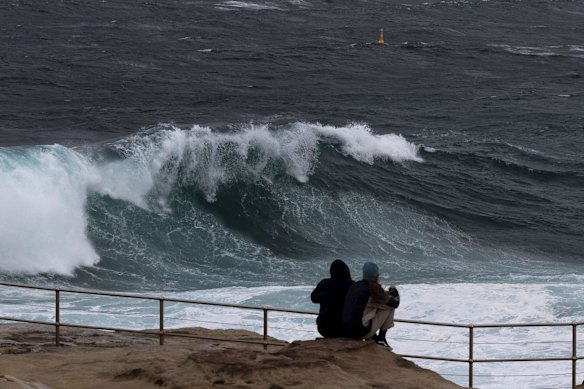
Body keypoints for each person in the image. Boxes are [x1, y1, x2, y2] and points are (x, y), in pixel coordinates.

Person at [341, 262, 400, 349]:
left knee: (369, 308)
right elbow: (395, 303)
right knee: (389, 307)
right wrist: (393, 290)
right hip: (359, 332)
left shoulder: (355, 285)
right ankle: (381, 338)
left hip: (345, 329)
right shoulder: (373, 289)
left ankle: (372, 337)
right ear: (376, 275)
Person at [310, 259, 354, 338]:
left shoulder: (324, 283)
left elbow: (313, 298)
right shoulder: (352, 285)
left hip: (324, 328)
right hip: (345, 329)